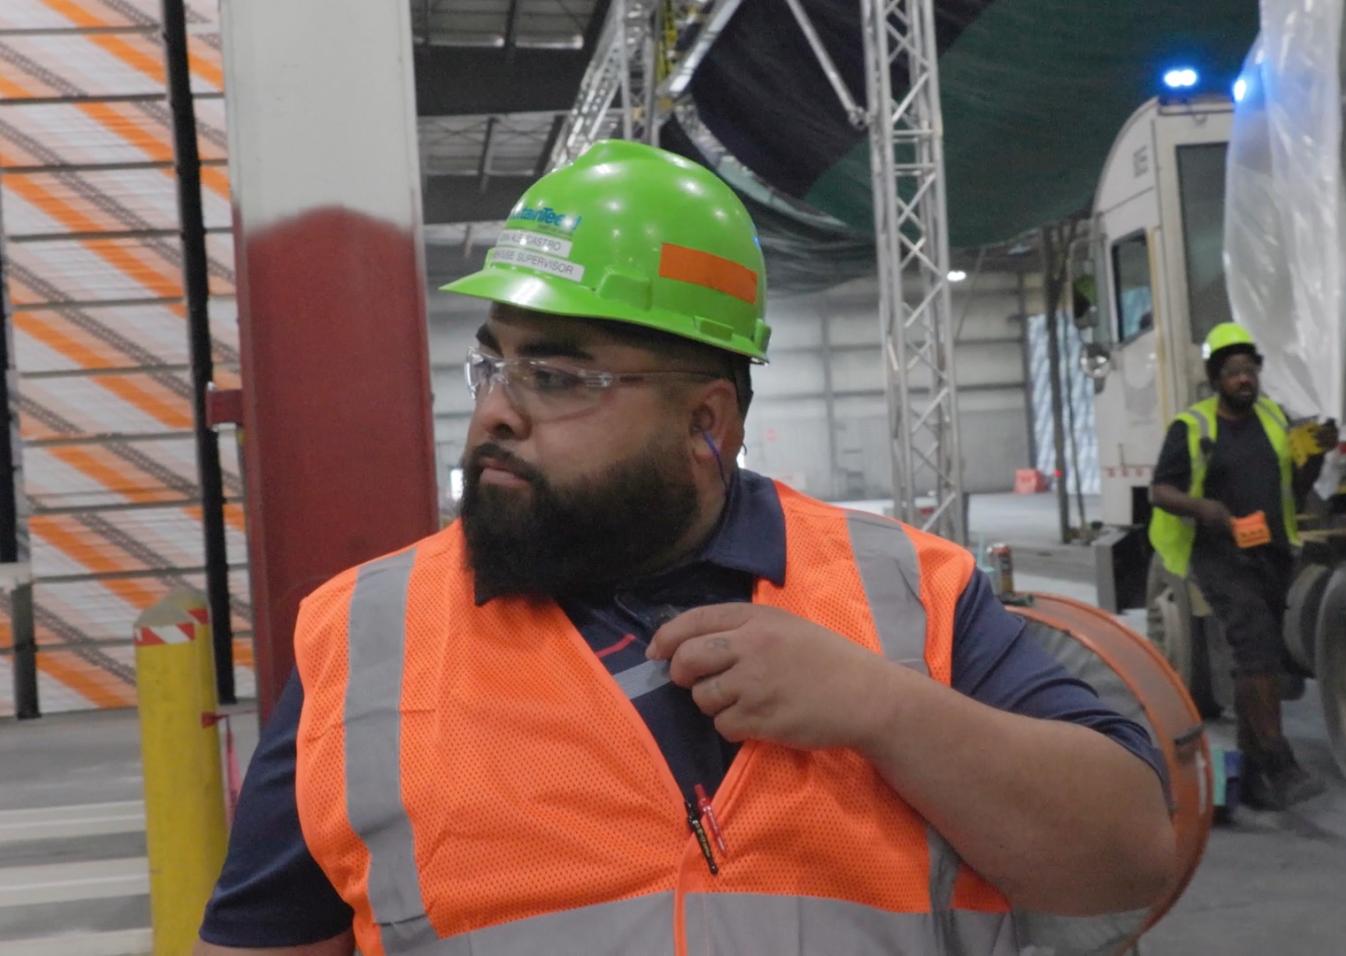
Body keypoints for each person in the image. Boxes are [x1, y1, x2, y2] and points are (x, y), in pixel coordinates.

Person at [195, 141, 1175, 956]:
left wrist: (886, 710)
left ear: (707, 424)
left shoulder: (903, 598)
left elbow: (1128, 853)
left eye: (560, 373)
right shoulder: (364, 641)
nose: (496, 409)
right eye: (495, 359)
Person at [1149, 322, 1338, 811]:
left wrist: (1315, 455)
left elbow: (1292, 489)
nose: (1243, 380)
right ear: (1216, 378)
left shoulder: (1274, 418)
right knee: (1254, 647)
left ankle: (1252, 775)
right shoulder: (1193, 427)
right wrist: (1207, 510)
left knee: (1262, 657)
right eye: (1233, 372)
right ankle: (1279, 760)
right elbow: (1161, 490)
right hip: (1218, 555)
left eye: (1249, 370)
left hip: (1271, 551)